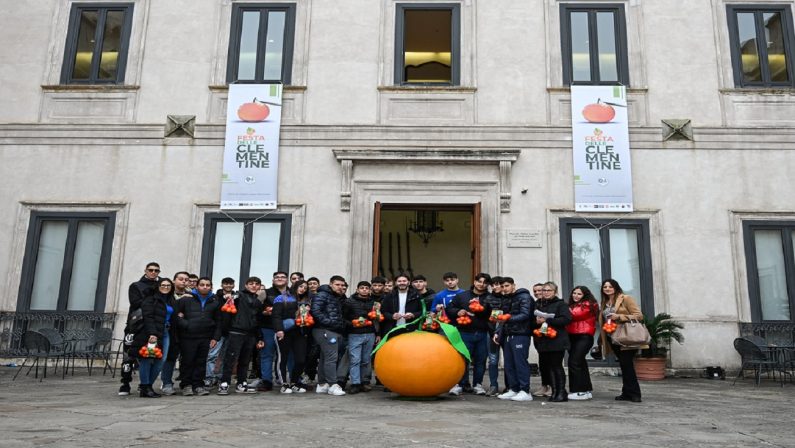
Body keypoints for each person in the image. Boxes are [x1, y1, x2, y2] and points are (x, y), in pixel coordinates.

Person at [174, 277, 222, 396]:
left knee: (201, 362)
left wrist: (215, 338)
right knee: (187, 361)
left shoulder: (215, 301)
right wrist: (187, 325)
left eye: (207, 285)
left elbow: (219, 321)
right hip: (188, 336)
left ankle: (198, 385)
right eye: (202, 285)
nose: (205, 287)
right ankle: (186, 385)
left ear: (211, 287)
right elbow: (176, 316)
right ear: (197, 286)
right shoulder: (186, 299)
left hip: (205, 336)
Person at [599, 278, 645, 403]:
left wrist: (619, 316)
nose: (607, 289)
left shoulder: (626, 298)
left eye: (610, 286)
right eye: (605, 287)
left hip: (626, 336)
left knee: (627, 364)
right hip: (612, 338)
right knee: (624, 366)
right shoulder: (605, 302)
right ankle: (626, 393)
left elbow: (639, 316)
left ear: (616, 287)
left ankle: (635, 394)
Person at [218, 277, 266, 395]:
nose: (254, 286)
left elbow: (258, 320)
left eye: (256, 284)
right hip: (236, 332)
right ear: (246, 285)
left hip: (251, 334)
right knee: (230, 359)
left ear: (259, 286)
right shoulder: (239, 296)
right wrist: (228, 296)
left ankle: (241, 383)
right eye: (251, 284)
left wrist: (259, 337)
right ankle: (224, 383)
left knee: (245, 360)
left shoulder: (258, 301)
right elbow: (229, 297)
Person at [446, 273, 492, 395]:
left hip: (483, 332)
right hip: (464, 332)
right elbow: (449, 309)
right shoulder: (462, 296)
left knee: (481, 360)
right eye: (479, 281)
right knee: (462, 359)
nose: (482, 285)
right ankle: (461, 384)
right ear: (475, 281)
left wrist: (480, 308)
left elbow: (491, 314)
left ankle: (478, 384)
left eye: (485, 282)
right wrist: (458, 312)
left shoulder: (490, 297)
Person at [119, 262, 161, 396]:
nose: (153, 272)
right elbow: (136, 303)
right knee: (128, 356)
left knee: (151, 356)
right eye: (151, 270)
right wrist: (151, 296)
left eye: (156, 271)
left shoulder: (160, 286)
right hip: (135, 325)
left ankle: (145, 385)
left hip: (152, 326)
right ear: (145, 270)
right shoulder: (136, 285)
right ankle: (125, 384)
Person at [134, 278, 175, 398]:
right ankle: (145, 386)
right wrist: (152, 333)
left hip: (166, 332)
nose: (166, 287)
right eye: (163, 285)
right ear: (158, 286)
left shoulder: (171, 300)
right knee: (147, 359)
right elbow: (148, 317)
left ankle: (147, 386)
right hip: (152, 332)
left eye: (168, 285)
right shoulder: (150, 299)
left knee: (161, 360)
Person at [494, 277, 534, 402]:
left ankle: (525, 391)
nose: (504, 289)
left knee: (520, 363)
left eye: (506, 286)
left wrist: (508, 318)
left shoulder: (525, 297)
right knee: (509, 364)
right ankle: (514, 389)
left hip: (521, 334)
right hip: (507, 334)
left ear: (513, 285)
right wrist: (497, 332)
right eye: (502, 287)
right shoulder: (506, 299)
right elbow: (502, 318)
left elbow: (525, 314)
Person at [533, 281, 572, 402]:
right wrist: (537, 321)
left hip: (557, 339)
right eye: (544, 290)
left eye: (549, 290)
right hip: (543, 339)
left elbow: (566, 319)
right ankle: (554, 391)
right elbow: (534, 321)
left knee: (556, 366)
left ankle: (561, 392)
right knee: (548, 367)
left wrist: (548, 320)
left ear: (555, 292)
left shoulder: (561, 304)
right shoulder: (539, 304)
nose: (545, 292)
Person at [272, 279, 312, 394]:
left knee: (300, 359)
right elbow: (276, 316)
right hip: (285, 331)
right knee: (282, 358)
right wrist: (279, 330)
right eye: (301, 286)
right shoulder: (282, 298)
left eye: (305, 288)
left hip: (299, 332)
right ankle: (284, 384)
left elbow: (307, 319)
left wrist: (307, 312)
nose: (303, 289)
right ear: (295, 286)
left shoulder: (306, 300)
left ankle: (294, 382)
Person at [310, 275, 348, 396]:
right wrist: (329, 323)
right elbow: (316, 311)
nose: (340, 287)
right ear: (331, 284)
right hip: (325, 330)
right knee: (332, 357)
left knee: (325, 357)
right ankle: (332, 385)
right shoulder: (322, 295)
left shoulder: (339, 297)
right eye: (337, 285)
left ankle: (322, 384)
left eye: (342, 285)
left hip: (333, 330)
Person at [160, 271, 192, 396]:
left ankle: (186, 384)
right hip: (170, 331)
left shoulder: (191, 297)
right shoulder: (167, 296)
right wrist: (178, 315)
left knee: (187, 359)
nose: (184, 281)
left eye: (186, 279)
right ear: (174, 281)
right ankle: (167, 383)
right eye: (181, 279)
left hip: (186, 331)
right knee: (169, 358)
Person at [343, 281, 378, 394]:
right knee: (355, 360)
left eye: (366, 288)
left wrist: (377, 333)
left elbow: (377, 319)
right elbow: (343, 318)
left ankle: (365, 382)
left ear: (369, 290)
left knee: (366, 360)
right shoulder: (349, 302)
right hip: (354, 334)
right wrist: (352, 323)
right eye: (362, 288)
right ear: (357, 290)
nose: (364, 290)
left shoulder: (374, 303)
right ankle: (355, 383)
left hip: (370, 333)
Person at [565, 285, 599, 400]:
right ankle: (586, 390)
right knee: (580, 363)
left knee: (574, 362)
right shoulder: (573, 305)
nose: (576, 296)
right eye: (574, 293)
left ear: (584, 295)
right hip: (573, 336)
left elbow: (574, 315)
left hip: (584, 336)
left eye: (579, 294)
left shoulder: (589, 304)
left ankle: (579, 391)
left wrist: (562, 309)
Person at [256, 271, 288, 391]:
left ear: (286, 280)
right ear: (273, 280)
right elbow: (256, 309)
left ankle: (288, 380)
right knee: (267, 355)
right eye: (277, 277)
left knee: (287, 355)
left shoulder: (291, 293)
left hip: (286, 329)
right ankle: (267, 381)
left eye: (282, 277)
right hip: (268, 327)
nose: (279, 279)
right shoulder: (265, 293)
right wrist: (264, 312)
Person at [205, 277, 235, 388]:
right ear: (222, 285)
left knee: (225, 356)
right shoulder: (215, 298)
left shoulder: (236, 297)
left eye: (230, 284)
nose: (228, 286)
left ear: (233, 285)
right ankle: (208, 378)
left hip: (231, 331)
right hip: (217, 331)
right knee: (212, 355)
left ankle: (219, 377)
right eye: (226, 284)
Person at [484, 276, 505, 396]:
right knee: (493, 360)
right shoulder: (488, 298)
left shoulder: (509, 298)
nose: (496, 287)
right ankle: (493, 385)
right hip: (491, 332)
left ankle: (510, 386)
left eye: (498, 284)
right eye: (493, 285)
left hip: (506, 332)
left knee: (509, 360)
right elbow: (484, 315)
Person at [530, 282, 552, 398]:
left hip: (551, 335)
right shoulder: (535, 304)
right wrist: (536, 322)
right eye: (535, 291)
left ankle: (552, 386)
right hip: (538, 335)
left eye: (540, 290)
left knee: (550, 362)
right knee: (542, 362)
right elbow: (531, 321)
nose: (537, 293)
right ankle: (544, 385)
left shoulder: (551, 303)